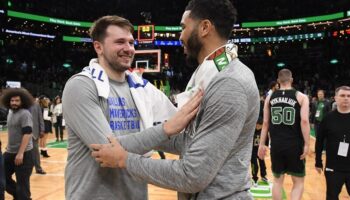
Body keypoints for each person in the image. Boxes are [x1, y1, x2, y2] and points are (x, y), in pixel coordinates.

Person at [91, 0, 260, 199]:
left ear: (205, 27)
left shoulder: (229, 83)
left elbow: (192, 175)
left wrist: (125, 159)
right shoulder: (211, 73)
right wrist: (129, 141)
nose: (180, 36)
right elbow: (189, 142)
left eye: (183, 27)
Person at [62, 15, 190, 199]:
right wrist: (165, 129)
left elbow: (164, 139)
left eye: (131, 42)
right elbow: (107, 151)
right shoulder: (82, 86)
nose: (128, 49)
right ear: (98, 47)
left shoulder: (142, 88)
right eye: (120, 42)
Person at [258, 69, 310, 200]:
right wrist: (307, 144)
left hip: (276, 145)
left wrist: (261, 144)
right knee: (298, 182)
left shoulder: (269, 97)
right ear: (292, 80)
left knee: (277, 182)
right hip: (295, 145)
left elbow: (265, 123)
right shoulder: (301, 97)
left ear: (278, 81)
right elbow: (304, 121)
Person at [315, 86, 350, 200]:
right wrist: (318, 162)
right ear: (335, 98)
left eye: (349, 96)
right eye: (342, 95)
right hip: (333, 168)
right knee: (332, 197)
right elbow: (319, 141)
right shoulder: (328, 118)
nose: (346, 98)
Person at [0, 88, 34, 200]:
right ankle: (17, 194)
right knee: (2, 177)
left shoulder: (25, 114)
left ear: (22, 101)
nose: (14, 103)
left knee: (23, 185)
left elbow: (28, 133)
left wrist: (20, 153)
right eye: (12, 101)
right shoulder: (10, 112)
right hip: (10, 152)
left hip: (24, 154)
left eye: (17, 101)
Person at [29, 98, 46, 174]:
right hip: (22, 133)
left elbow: (40, 118)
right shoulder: (20, 104)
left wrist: (42, 130)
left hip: (34, 132)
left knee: (35, 152)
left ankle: (38, 168)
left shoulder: (36, 105)